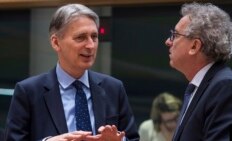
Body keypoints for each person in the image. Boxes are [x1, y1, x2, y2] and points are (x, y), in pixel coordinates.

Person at [4, 3, 139, 141]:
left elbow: (132, 138)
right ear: (56, 43)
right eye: (81, 37)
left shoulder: (114, 88)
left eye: (94, 36)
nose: (91, 45)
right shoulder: (28, 92)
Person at [164, 2, 232, 141]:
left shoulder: (227, 88)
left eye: (175, 35)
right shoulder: (201, 87)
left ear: (194, 46)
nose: (168, 41)